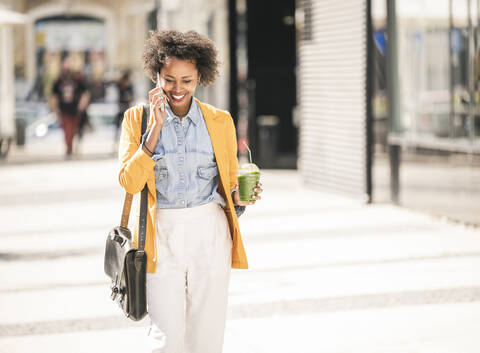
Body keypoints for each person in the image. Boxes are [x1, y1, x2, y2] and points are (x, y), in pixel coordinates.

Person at [118, 30, 263, 353]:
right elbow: (129, 182)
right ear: (156, 75)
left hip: (210, 233)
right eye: (168, 80)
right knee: (167, 339)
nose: (177, 89)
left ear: (201, 77)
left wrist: (239, 199)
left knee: (206, 338)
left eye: (187, 80)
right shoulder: (136, 120)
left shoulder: (220, 121)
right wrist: (155, 129)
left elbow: (226, 190)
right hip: (159, 236)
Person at [50, 60, 90, 157]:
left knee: (73, 129)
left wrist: (82, 105)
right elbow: (54, 95)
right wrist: (54, 108)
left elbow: (85, 93)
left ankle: (70, 146)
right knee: (67, 130)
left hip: (75, 109)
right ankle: (69, 147)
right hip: (63, 109)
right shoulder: (59, 80)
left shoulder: (77, 80)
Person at [114, 69, 134, 143]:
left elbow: (132, 97)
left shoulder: (129, 86)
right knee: (118, 127)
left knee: (128, 127)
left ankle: (128, 141)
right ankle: (115, 144)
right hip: (120, 107)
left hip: (126, 108)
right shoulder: (119, 85)